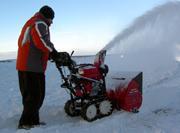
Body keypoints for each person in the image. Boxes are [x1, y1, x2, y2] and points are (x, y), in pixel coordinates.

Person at [16, 5, 58, 129]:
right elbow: (41, 41)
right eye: (51, 19)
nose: (52, 22)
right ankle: (25, 123)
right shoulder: (40, 23)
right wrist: (54, 52)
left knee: (30, 96)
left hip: (26, 65)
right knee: (36, 96)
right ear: (47, 16)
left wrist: (47, 55)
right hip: (32, 67)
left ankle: (33, 121)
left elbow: (30, 43)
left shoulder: (30, 22)